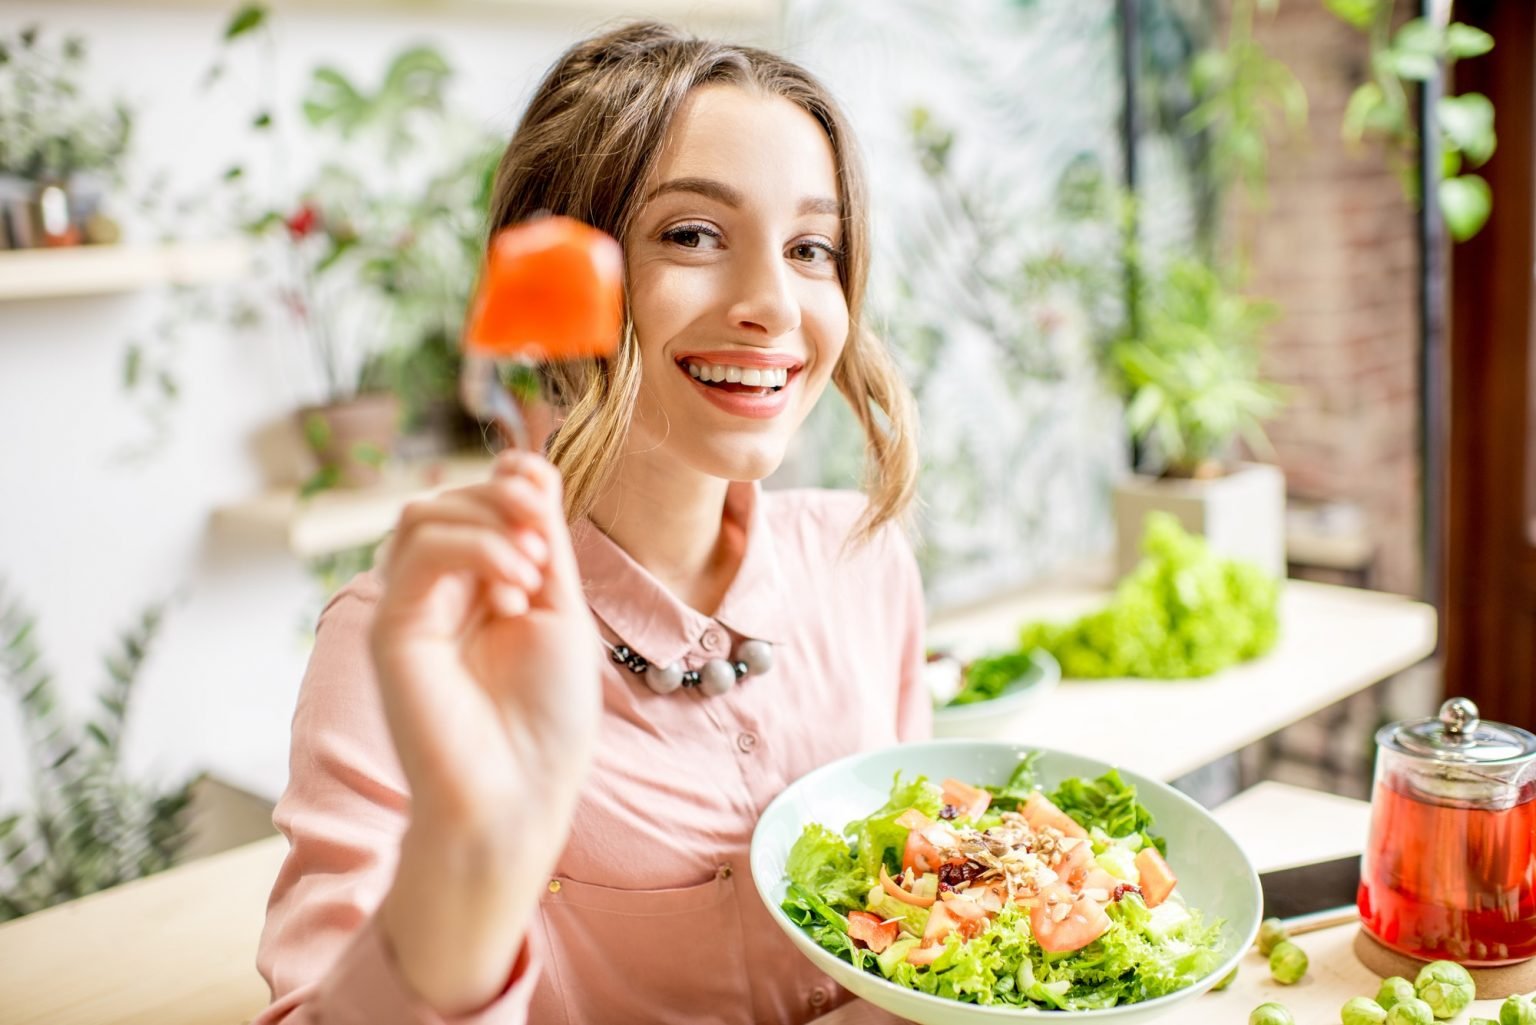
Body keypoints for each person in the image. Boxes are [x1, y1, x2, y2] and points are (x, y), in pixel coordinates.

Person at [255, 20, 929, 1025]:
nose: (775, 305)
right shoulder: (412, 639)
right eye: (692, 234)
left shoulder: (861, 561)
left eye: (810, 249)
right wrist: (466, 867)